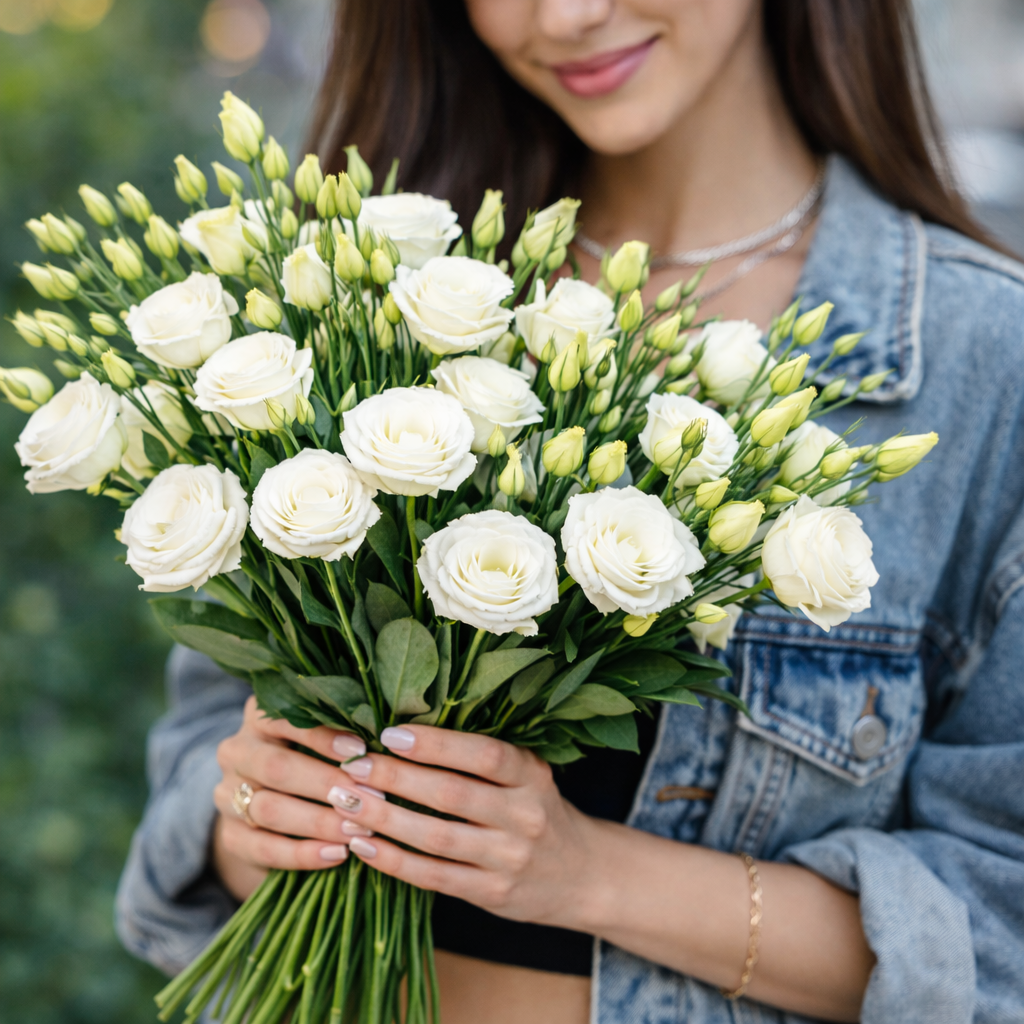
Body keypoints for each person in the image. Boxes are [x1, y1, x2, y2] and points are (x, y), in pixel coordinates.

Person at [116, 2, 1024, 1022]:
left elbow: (1001, 928)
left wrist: (586, 873)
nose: (567, 15)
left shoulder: (984, 364)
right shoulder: (363, 286)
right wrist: (254, 821)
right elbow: (205, 739)